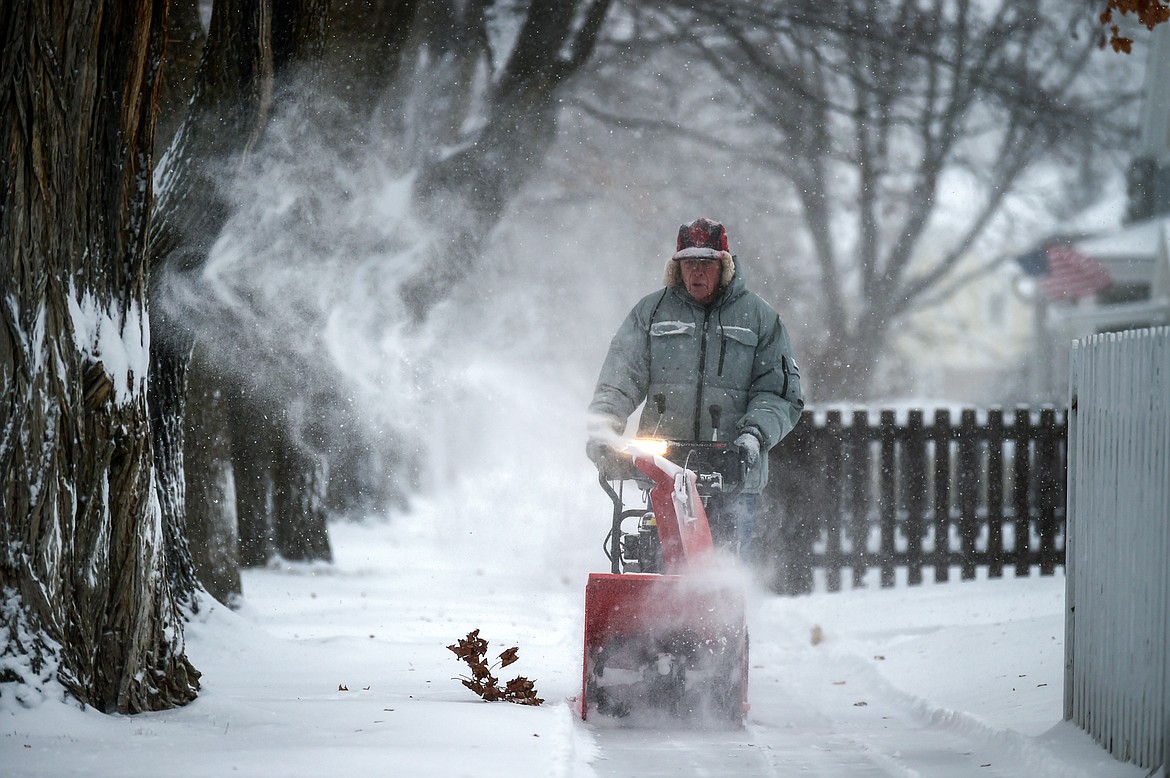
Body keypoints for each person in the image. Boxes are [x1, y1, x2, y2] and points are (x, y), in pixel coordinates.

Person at [586, 217, 804, 557]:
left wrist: (751, 439)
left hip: (732, 472)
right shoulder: (651, 314)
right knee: (655, 555)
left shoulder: (761, 320)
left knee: (725, 569)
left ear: (725, 266)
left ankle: (720, 607)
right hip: (663, 469)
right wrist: (604, 433)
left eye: (705, 263)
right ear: (677, 266)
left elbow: (777, 393)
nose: (696, 273)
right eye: (689, 263)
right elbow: (619, 380)